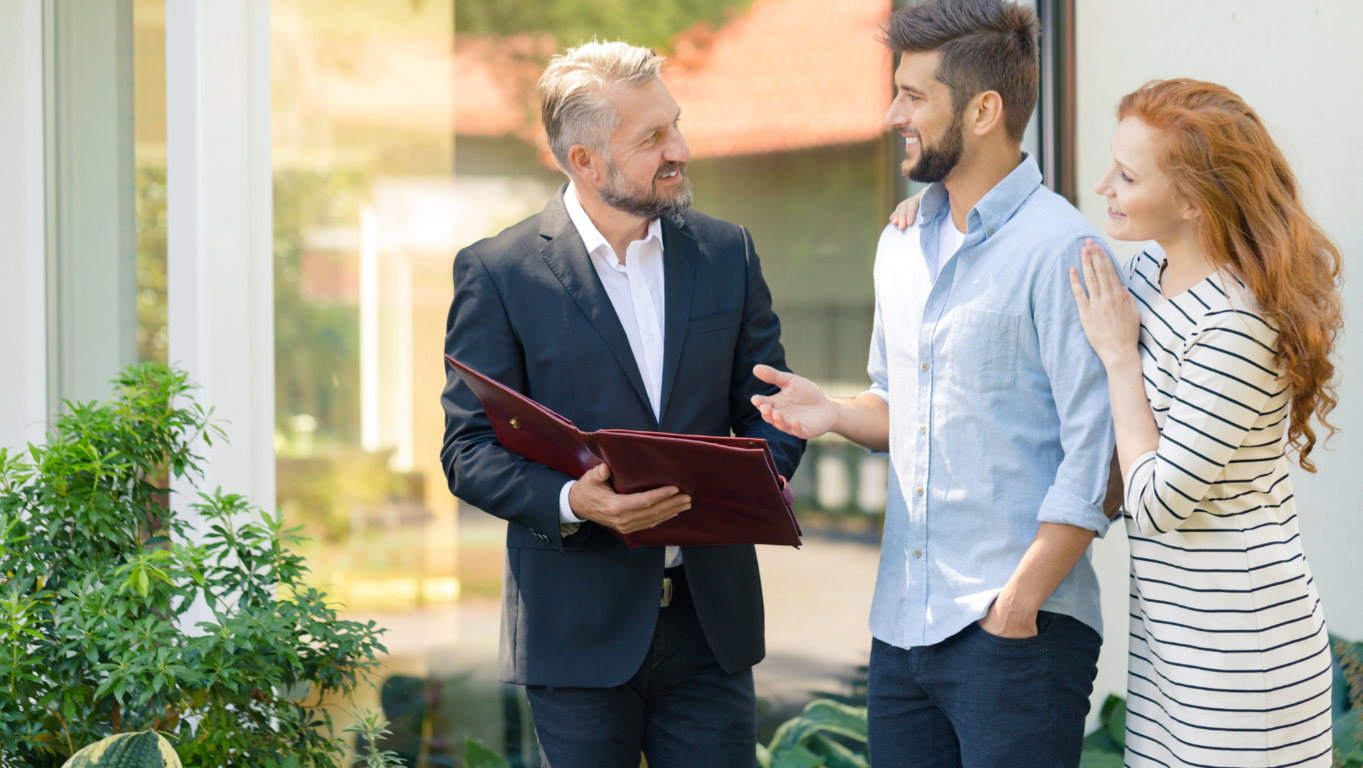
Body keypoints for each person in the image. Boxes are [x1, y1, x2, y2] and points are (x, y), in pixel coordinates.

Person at [751, 0, 1118, 765]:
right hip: (902, 630)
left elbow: (1097, 454)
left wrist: (1016, 605)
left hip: (1018, 632)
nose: (891, 115)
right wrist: (836, 413)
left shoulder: (1063, 250)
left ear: (983, 110)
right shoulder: (903, 244)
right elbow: (900, 404)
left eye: (912, 95)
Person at [438, 41, 804, 768]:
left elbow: (772, 404)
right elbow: (467, 448)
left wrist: (755, 480)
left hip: (711, 628)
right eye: (653, 138)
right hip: (576, 634)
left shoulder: (727, 253)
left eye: (675, 124)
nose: (681, 149)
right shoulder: (500, 273)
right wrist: (575, 500)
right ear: (584, 161)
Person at [1069, 79, 1338, 768]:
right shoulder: (1148, 270)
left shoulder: (1235, 327)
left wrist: (1119, 360)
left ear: (1191, 201)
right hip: (1171, 642)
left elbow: (1156, 502)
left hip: (1243, 655)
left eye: (1127, 177)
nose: (1104, 185)